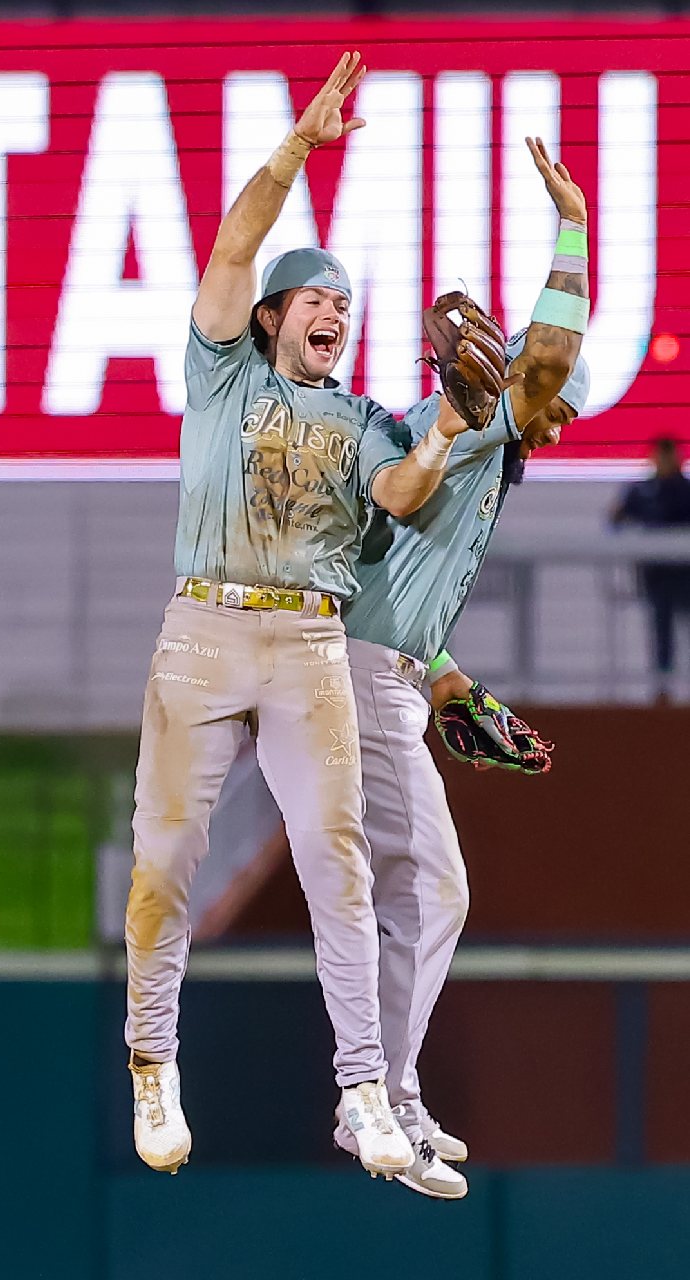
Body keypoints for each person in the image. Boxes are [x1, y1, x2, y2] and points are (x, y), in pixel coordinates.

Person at [125, 52, 482, 1181]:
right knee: (167, 853)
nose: (335, 305)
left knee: (339, 863)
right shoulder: (225, 369)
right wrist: (297, 151)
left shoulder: (361, 414)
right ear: (273, 310)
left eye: (344, 296)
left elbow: (404, 492)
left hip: (311, 640)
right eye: (315, 292)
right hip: (204, 624)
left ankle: (368, 1089)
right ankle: (151, 1056)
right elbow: (233, 245)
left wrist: (444, 430)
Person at [331, 136, 591, 1199]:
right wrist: (571, 227)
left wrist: (447, 679)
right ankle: (379, 1097)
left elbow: (391, 589)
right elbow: (552, 360)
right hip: (358, 676)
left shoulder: (456, 443)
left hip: (372, 669)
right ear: (489, 369)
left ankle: (383, 1088)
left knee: (394, 890)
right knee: (432, 887)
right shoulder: (479, 424)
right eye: (536, 386)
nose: (559, 407)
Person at [610, 438, 690, 698]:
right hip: (656, 575)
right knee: (661, 631)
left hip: (685, 573)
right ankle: (662, 690)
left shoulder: (685, 489)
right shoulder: (643, 489)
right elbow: (616, 518)